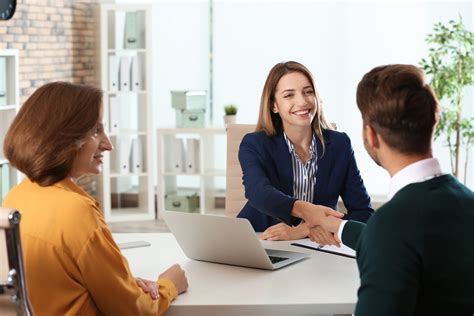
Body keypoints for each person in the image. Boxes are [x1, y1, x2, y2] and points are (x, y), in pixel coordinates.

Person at [2, 82, 189, 315]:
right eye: (95, 131)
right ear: (63, 137)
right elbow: (135, 311)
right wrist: (169, 285)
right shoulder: (77, 212)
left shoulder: (16, 196)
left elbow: (58, 282)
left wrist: (123, 284)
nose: (108, 145)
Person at [312, 64, 474, 315]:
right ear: (433, 121)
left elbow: (397, 238)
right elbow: (416, 244)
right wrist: (342, 228)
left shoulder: (391, 226)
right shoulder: (467, 202)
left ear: (371, 135)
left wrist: (378, 234)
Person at [237, 61, 374, 243]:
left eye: (308, 92)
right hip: (260, 240)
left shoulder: (340, 144)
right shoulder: (254, 143)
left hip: (316, 244)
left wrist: (305, 229)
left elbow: (363, 213)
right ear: (274, 106)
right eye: (289, 95)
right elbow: (258, 192)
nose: (302, 101)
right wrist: (305, 210)